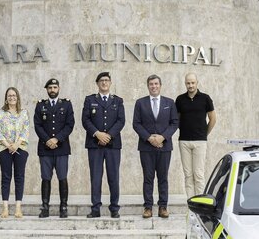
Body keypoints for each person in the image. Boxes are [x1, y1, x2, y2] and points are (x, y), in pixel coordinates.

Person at [133, 74, 179, 218]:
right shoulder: (140, 103)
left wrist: (162, 137)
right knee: (148, 178)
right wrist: (149, 138)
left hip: (164, 147)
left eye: (156, 84)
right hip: (146, 147)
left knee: (163, 177)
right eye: (151, 84)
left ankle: (163, 207)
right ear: (148, 86)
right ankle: (148, 207)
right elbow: (136, 124)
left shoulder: (170, 103)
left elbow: (174, 123)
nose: (154, 86)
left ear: (160, 85)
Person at [82, 71, 126, 218]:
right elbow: (85, 120)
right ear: (97, 83)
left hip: (113, 145)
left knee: (113, 177)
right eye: (101, 80)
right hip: (95, 144)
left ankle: (114, 208)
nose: (104, 83)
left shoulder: (117, 101)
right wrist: (97, 134)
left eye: (107, 80)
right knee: (96, 177)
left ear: (110, 83)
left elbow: (121, 121)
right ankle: (95, 208)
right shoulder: (89, 100)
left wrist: (108, 135)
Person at [33, 78, 75, 218]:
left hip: (61, 147)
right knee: (46, 177)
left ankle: (63, 207)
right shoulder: (40, 105)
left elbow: (70, 124)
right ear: (46, 89)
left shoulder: (67, 105)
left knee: (62, 177)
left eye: (55, 87)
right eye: (50, 87)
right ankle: (45, 207)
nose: (52, 90)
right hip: (45, 148)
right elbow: (37, 125)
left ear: (59, 88)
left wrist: (57, 139)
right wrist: (48, 140)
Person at [175, 72, 217, 198]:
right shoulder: (180, 99)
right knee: (188, 175)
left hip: (200, 141)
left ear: (197, 83)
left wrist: (204, 134)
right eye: (188, 83)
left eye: (193, 82)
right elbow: (176, 119)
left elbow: (213, 119)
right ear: (185, 84)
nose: (190, 85)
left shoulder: (205, 98)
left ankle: (199, 203)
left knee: (198, 174)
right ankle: (190, 204)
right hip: (184, 141)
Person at [0, 86, 30, 218]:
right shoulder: (0, 113)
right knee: (6, 177)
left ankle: (18, 208)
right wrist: (8, 145)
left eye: (14, 95)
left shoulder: (24, 113)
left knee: (19, 177)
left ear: (18, 97)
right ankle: (5, 208)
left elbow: (25, 130)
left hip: (20, 148)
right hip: (4, 149)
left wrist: (16, 144)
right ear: (6, 98)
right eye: (9, 96)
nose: (12, 98)